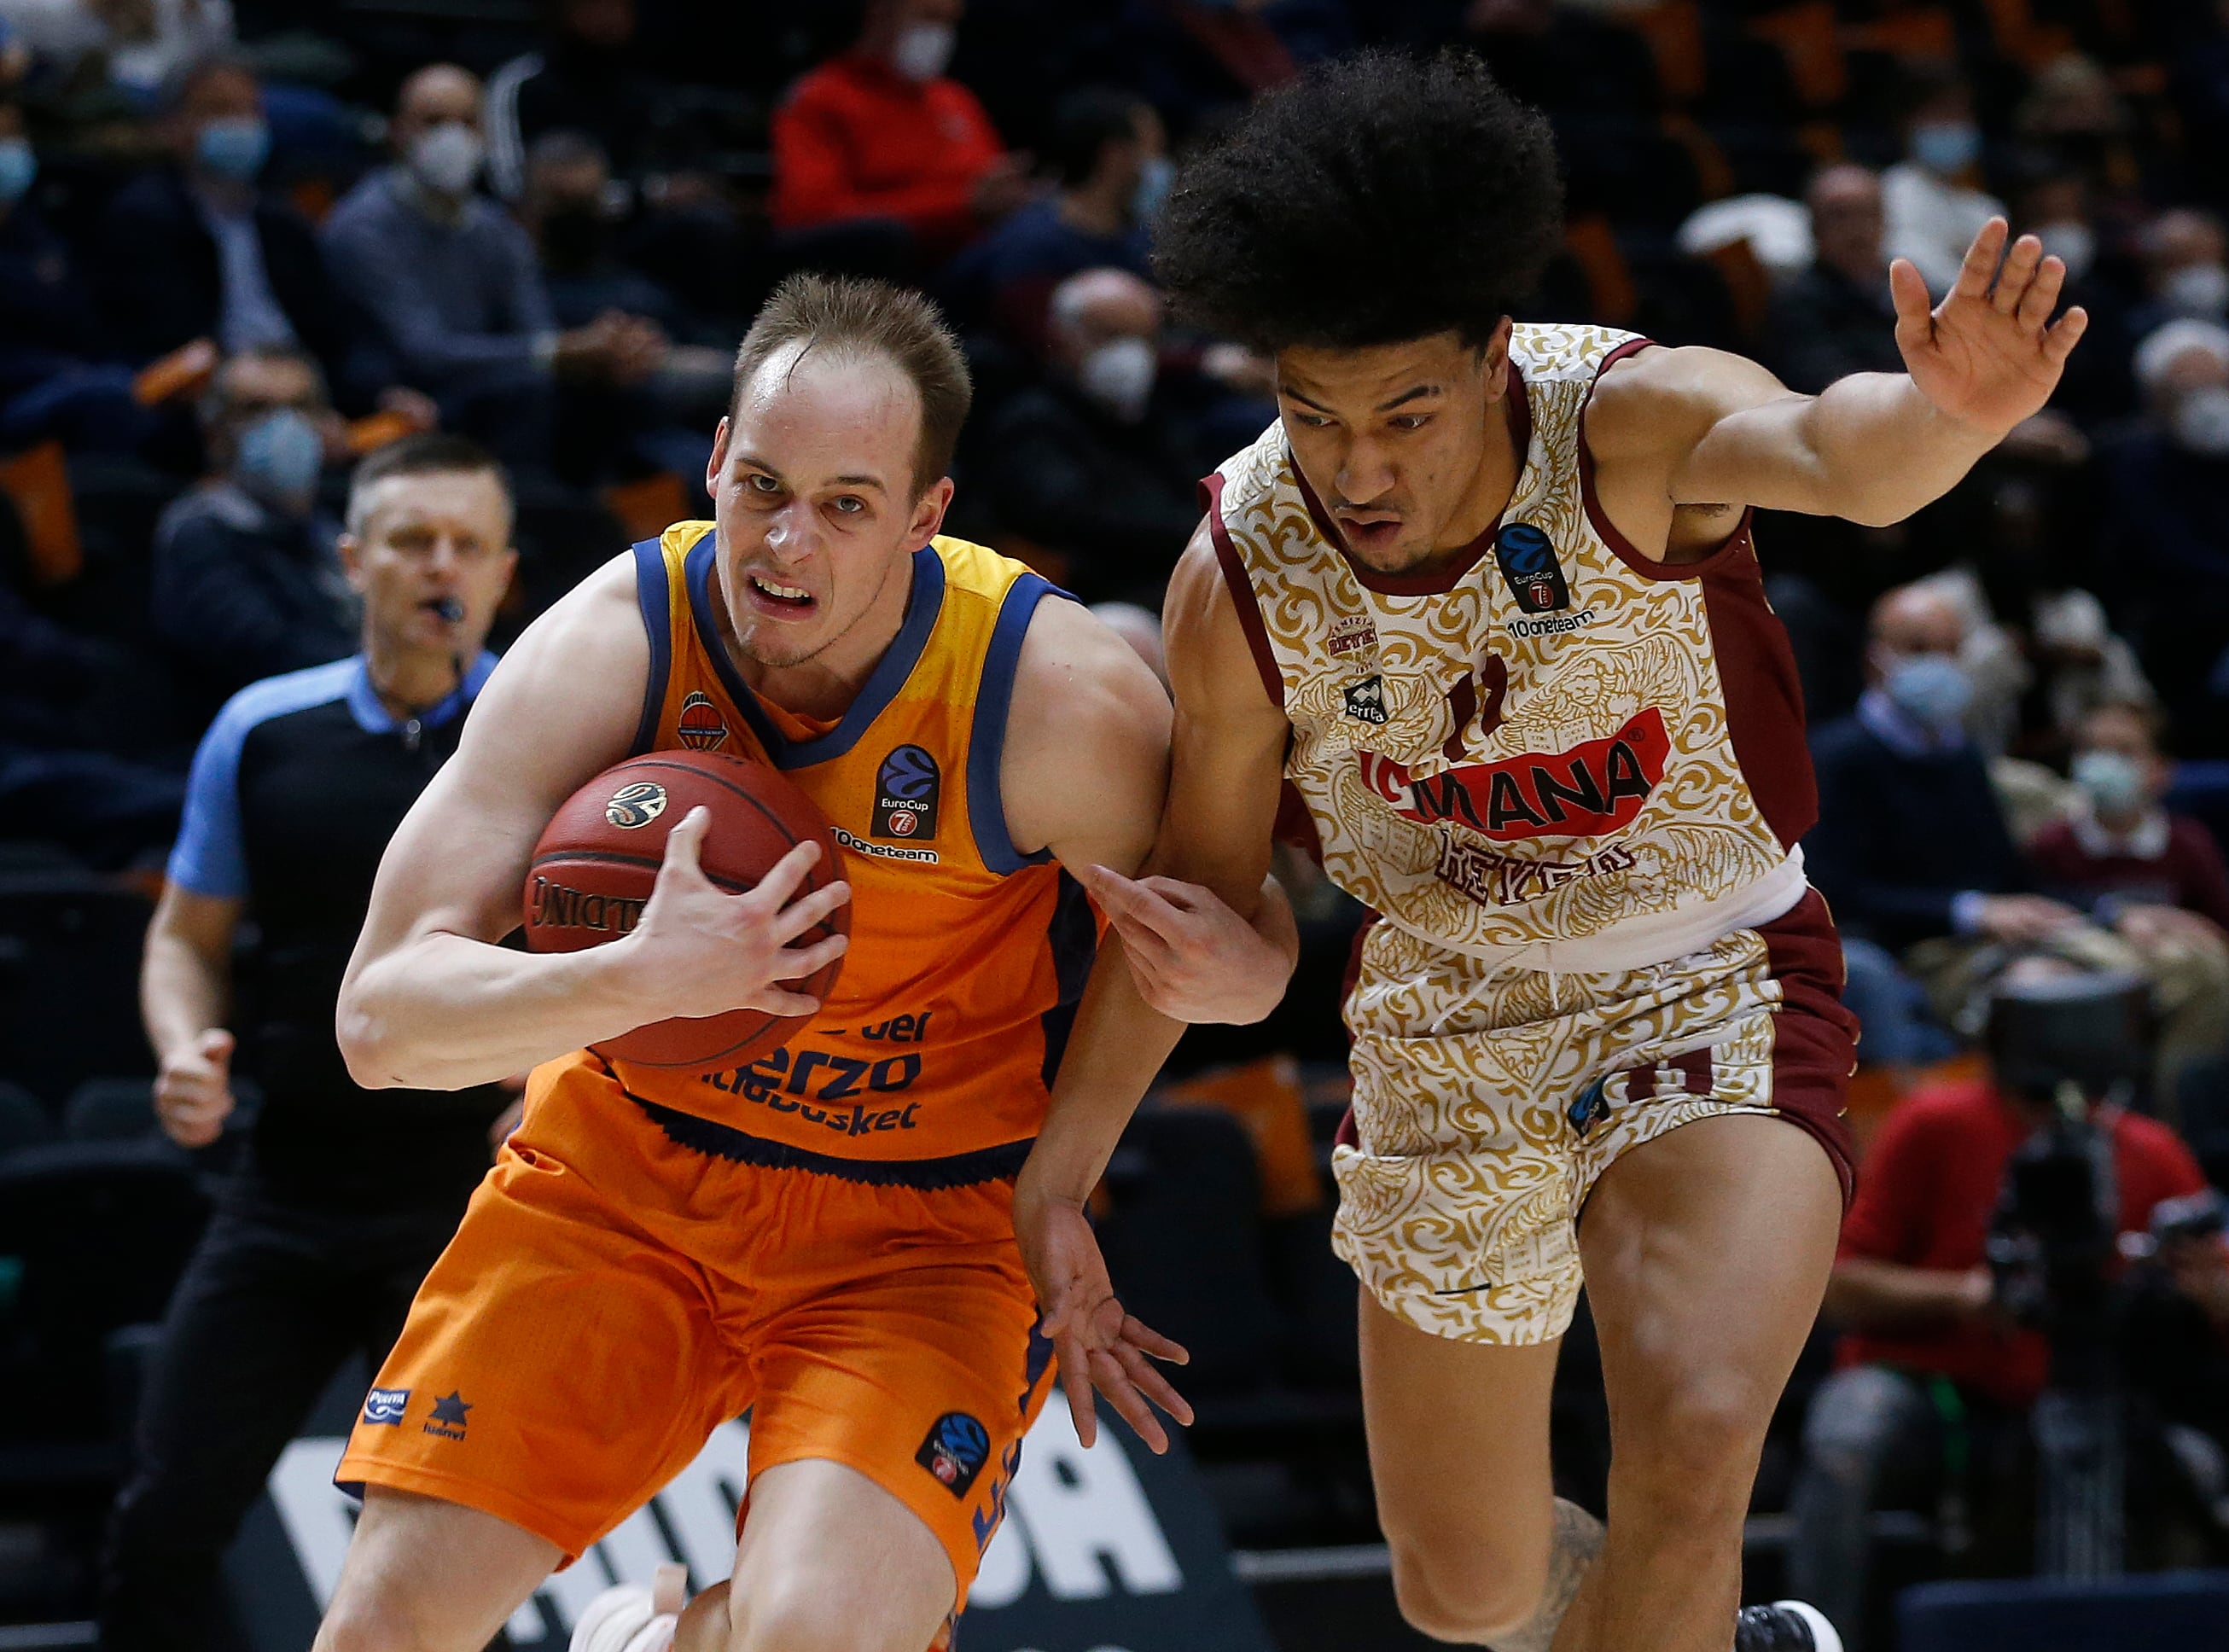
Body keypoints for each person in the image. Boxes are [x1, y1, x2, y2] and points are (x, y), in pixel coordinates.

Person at [1010, 49, 2092, 1652]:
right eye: (1314, 414)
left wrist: (1948, 417)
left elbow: (1834, 452)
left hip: (1704, 980)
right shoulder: (1236, 568)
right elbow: (1196, 910)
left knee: (1695, 1436)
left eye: (1403, 411)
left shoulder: (1627, 421)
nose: (1357, 469)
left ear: (1493, 352)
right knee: (1469, 1591)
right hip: (1446, 1018)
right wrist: (1061, 1175)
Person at [307, 275, 1238, 1652]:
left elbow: (1191, 950)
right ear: (714, 467)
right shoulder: (617, 640)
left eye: (847, 503)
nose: (784, 541)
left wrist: (1062, 1174)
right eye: (761, 486)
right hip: (624, 1170)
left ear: (928, 516)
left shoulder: (1054, 696)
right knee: (382, 1632)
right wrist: (639, 976)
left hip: (917, 1227)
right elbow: (378, 1022)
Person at [99, 434, 521, 1652]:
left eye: (464, 544)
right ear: (353, 561)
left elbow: (634, 962)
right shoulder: (261, 731)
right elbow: (184, 936)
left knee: (444, 1553)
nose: (438, 565)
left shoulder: (558, 745)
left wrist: (559, 1068)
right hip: (284, 1188)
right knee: (165, 1518)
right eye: (410, 540)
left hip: (474, 1198)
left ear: (502, 572)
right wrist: (184, 1047)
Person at [1787, 958, 2229, 1648]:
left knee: (2195, 1465)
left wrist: (2207, 1296)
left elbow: (2210, 1301)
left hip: (2094, 1384)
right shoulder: (1933, 1122)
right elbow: (1837, 1285)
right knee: (1849, 1435)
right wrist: (1967, 1296)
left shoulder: (2150, 1149)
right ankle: (1822, 1636)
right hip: (1932, 1378)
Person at [321, 63, 666, 462]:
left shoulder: (495, 228)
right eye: (433, 121)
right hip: (395, 394)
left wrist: (597, 351)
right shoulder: (362, 226)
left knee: (616, 390)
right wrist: (559, 352)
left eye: (467, 122)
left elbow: (537, 331)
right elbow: (423, 351)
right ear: (398, 131)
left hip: (487, 381)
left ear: (484, 134)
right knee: (529, 389)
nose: (452, 137)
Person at [93, 51, 365, 406]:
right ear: (171, 127)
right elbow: (165, 343)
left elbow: (332, 333)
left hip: (304, 385)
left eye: (249, 110)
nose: (240, 125)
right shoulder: (143, 218)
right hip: (210, 393)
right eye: (219, 110)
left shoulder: (281, 220)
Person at [151, 346, 356, 719]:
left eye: (301, 406)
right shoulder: (198, 533)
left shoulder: (334, 517)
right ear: (216, 433)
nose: (286, 426)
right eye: (257, 409)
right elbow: (270, 653)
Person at [979, 267, 1202, 602]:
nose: (1130, 355)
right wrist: (1187, 532)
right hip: (1083, 604)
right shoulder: (1031, 425)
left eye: (1143, 339)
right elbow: (1076, 523)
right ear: (1061, 336)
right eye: (1109, 336)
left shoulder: (1161, 415)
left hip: (1171, 586)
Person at [769, 0, 1030, 265]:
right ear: (880, 12)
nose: (940, 35)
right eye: (929, 18)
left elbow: (992, 183)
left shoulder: (955, 98)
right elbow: (809, 217)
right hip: (903, 272)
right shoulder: (821, 98)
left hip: (985, 253)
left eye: (950, 23)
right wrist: (958, 207)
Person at [942, 84, 1161, 348]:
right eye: (1149, 149)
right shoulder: (1031, 242)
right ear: (1114, 155)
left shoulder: (1142, 242)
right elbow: (1051, 348)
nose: (1156, 165)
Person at [1765, 166, 1904, 395]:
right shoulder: (1796, 303)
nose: (1856, 229)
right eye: (1839, 215)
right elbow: (1824, 382)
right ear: (1814, 226)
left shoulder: (1913, 287)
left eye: (1867, 213)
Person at [1883, 61, 2006, 299]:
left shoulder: (1984, 208)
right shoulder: (1888, 193)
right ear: (1906, 122)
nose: (1953, 124)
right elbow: (1904, 263)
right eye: (1941, 113)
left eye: (1961, 114)